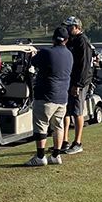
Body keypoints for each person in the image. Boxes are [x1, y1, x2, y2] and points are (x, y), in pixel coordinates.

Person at [24, 27, 73, 166]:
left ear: (53, 39)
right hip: (62, 97)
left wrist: (33, 54)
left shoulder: (46, 52)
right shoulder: (69, 54)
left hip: (46, 96)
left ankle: (40, 157)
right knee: (58, 126)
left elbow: (33, 62)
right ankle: (55, 155)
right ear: (67, 40)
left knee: (41, 126)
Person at [61, 16, 93, 155]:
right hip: (69, 80)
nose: (67, 29)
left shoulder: (82, 42)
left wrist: (78, 84)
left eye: (70, 26)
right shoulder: (70, 41)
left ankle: (77, 142)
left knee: (77, 111)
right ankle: (64, 141)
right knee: (66, 111)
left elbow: (84, 66)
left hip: (80, 81)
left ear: (77, 27)